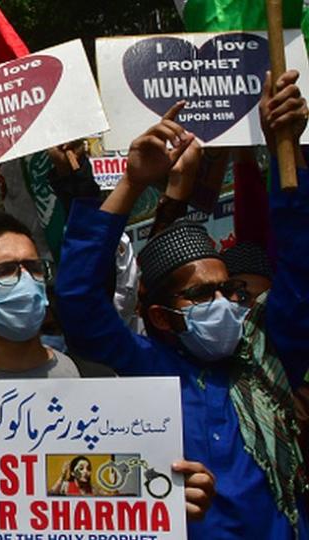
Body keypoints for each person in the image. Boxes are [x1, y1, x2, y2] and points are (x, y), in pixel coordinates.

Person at [0, 147, 216, 538]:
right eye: (5, 271)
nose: (27, 280)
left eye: (33, 267)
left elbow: (125, 500)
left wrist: (174, 500)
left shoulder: (100, 386)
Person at [55, 73, 309, 539]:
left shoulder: (270, 357)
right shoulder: (145, 368)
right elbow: (78, 301)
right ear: (158, 315)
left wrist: (283, 148)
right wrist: (132, 183)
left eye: (228, 289)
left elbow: (299, 262)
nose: (223, 303)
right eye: (199, 294)